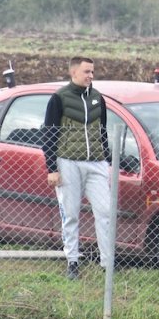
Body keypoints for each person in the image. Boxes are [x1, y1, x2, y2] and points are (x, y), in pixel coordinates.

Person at [43, 57, 112, 280]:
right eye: (87, 72)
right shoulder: (59, 98)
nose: (91, 76)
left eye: (92, 72)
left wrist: (107, 160)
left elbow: (103, 131)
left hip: (96, 162)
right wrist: (52, 167)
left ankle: (107, 263)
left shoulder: (98, 98)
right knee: (71, 213)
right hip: (68, 162)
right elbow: (49, 134)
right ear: (74, 72)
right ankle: (72, 261)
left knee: (105, 211)